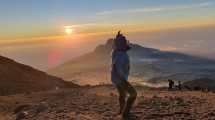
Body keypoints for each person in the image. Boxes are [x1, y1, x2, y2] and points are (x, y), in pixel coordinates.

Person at [111, 31, 137, 118]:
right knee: (133, 94)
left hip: (116, 79)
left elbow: (115, 67)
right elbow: (118, 68)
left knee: (123, 94)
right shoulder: (121, 54)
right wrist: (123, 80)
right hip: (120, 79)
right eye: (124, 42)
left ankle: (122, 111)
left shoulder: (115, 52)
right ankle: (125, 114)